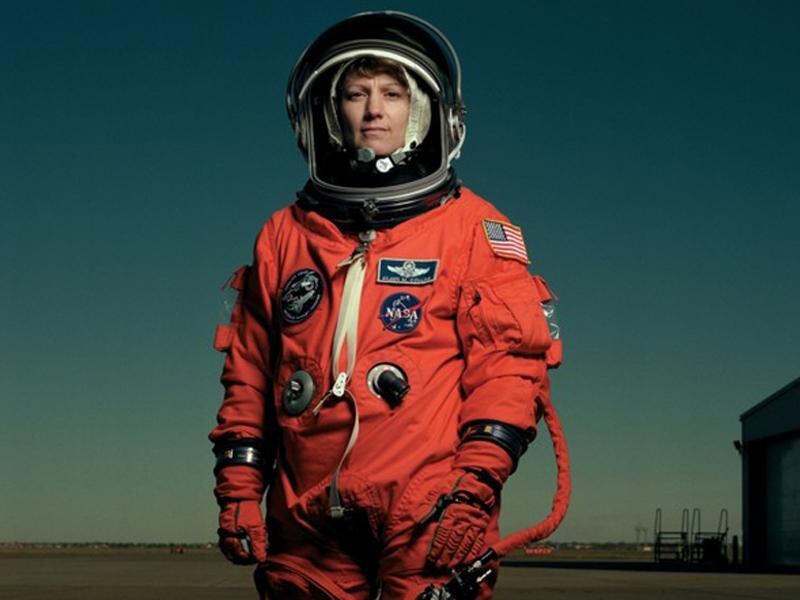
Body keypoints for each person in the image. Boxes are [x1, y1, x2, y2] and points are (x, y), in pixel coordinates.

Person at [209, 11, 561, 599]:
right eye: (355, 93)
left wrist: (476, 484)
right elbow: (247, 374)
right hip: (306, 506)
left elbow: (509, 369)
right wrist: (241, 485)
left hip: (429, 504)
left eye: (393, 94)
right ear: (328, 114)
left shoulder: (473, 228)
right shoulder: (285, 236)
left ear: (423, 113)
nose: (374, 109)